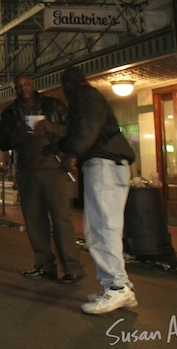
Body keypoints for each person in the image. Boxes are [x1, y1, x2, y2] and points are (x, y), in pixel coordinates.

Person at [60, 66, 137, 315]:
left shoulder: (83, 96)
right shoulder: (91, 96)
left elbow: (88, 126)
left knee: (103, 229)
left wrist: (72, 153)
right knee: (102, 229)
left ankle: (116, 286)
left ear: (66, 87)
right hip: (108, 165)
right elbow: (87, 128)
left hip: (104, 165)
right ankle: (118, 284)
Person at [0, 73, 84, 284]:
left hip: (54, 170)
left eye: (25, 84)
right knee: (35, 222)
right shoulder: (10, 113)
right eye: (18, 86)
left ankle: (73, 268)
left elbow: (72, 130)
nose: (23, 88)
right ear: (14, 89)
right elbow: (2, 141)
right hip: (27, 173)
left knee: (61, 220)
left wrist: (51, 128)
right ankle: (45, 266)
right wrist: (20, 133)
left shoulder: (52, 105)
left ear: (32, 84)